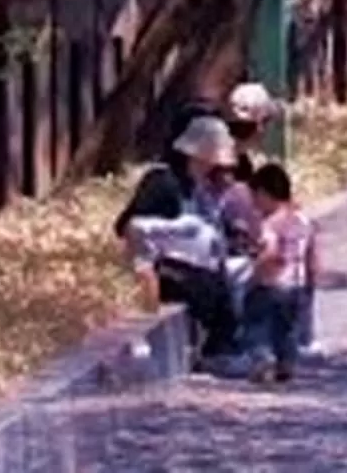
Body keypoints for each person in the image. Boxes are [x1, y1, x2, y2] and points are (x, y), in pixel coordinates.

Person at [113, 113, 250, 368]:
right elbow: (127, 227)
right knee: (208, 286)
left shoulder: (196, 185)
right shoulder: (163, 182)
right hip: (161, 268)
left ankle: (231, 342)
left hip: (194, 261)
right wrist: (173, 231)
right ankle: (217, 351)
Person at [241, 160, 317, 385]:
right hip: (297, 284)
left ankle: (262, 358)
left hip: (271, 283)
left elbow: (270, 253)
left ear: (265, 193)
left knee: (256, 323)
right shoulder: (303, 220)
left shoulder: (270, 223)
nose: (254, 204)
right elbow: (312, 253)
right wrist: (311, 282)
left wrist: (253, 277)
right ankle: (286, 364)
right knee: (287, 329)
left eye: (255, 197)